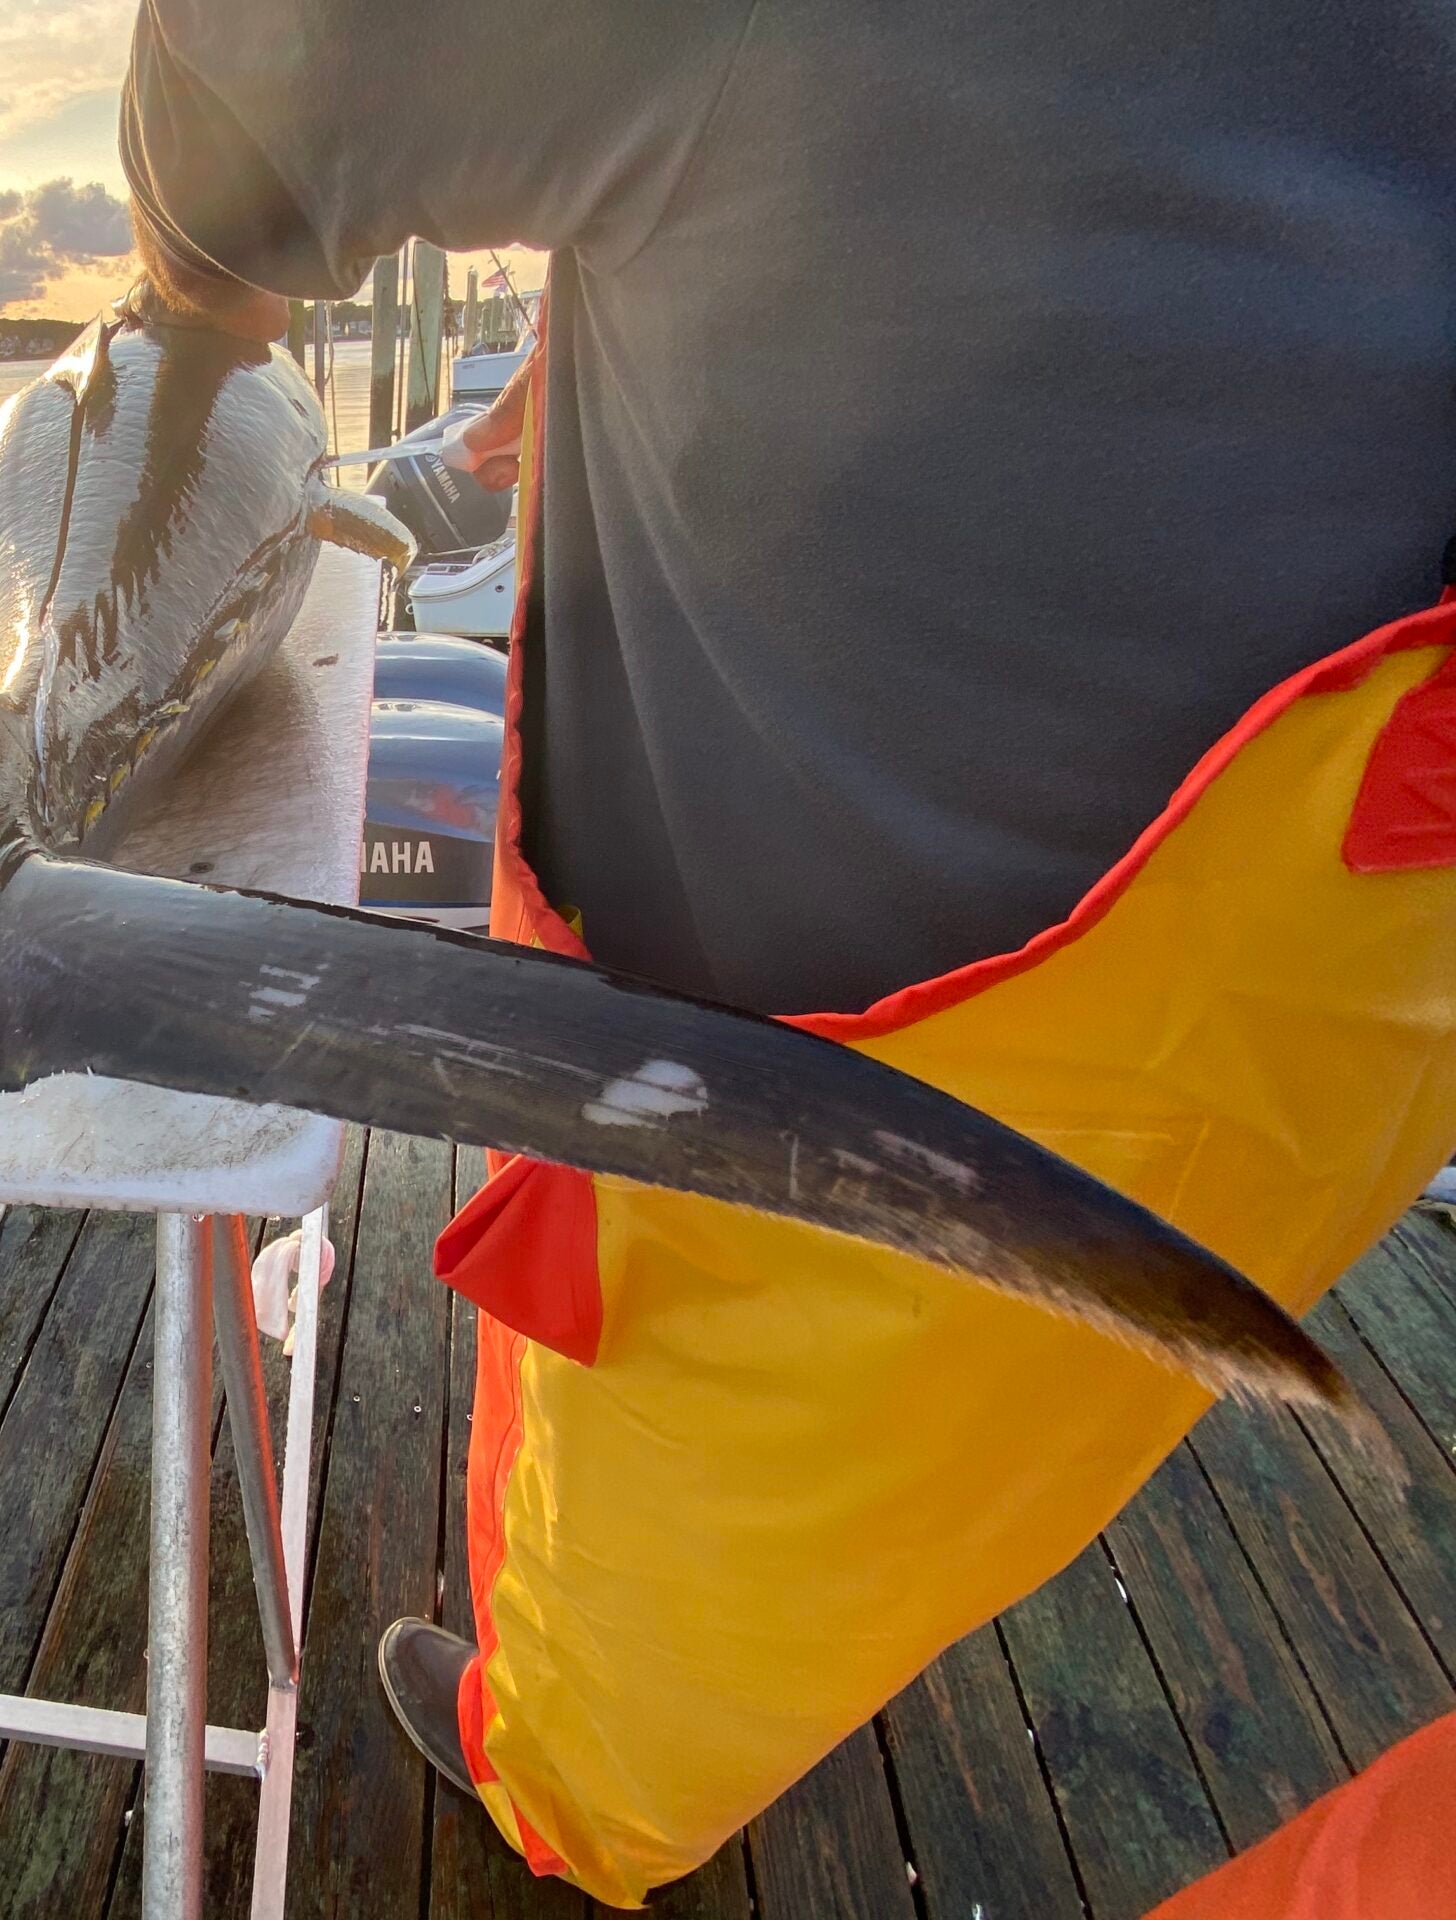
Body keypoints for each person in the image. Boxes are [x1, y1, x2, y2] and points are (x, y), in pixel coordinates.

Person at [122, 1, 1456, 1906]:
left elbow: (246, 93)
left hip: (815, 1114)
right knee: (1031, 1444)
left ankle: (576, 1798)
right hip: (1351, 1003)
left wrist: (193, 321)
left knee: (674, 1567)